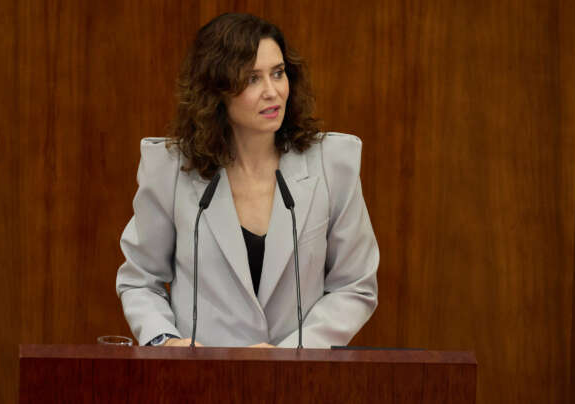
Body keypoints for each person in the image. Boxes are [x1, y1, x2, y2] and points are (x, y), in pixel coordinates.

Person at [115, 13, 378, 348]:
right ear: (217, 91)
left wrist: (291, 354)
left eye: (278, 73)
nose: (272, 92)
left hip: (297, 381)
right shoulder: (172, 169)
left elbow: (355, 284)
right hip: (199, 382)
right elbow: (140, 279)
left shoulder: (331, 164)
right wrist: (165, 341)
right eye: (253, 79)